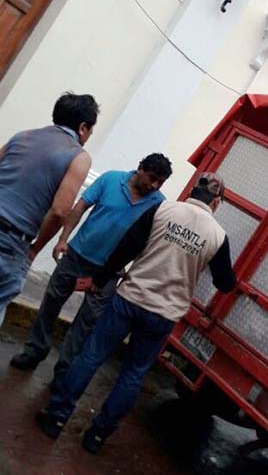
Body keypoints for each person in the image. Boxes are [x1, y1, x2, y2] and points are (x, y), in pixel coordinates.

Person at [35, 172, 236, 454]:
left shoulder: (163, 209)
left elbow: (126, 248)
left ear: (193, 190)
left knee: (92, 354)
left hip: (129, 299)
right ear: (216, 202)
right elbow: (225, 284)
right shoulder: (218, 236)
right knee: (132, 374)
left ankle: (56, 418)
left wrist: (100, 279)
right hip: (164, 314)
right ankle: (97, 435)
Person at [10, 153, 173, 389]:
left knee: (86, 323)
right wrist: (63, 239)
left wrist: (132, 273)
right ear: (140, 168)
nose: (155, 185)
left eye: (161, 182)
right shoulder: (111, 179)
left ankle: (63, 371)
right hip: (77, 256)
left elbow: (149, 244)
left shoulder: (159, 204)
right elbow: (80, 207)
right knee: (51, 303)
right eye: (152, 178)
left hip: (109, 273)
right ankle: (35, 350)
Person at [0, 93, 97, 327]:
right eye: (91, 129)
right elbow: (60, 211)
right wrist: (34, 250)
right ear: (83, 127)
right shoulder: (78, 156)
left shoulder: (22, 136)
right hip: (10, 242)